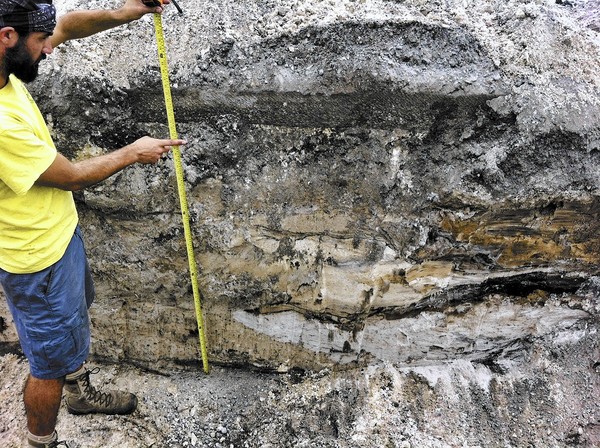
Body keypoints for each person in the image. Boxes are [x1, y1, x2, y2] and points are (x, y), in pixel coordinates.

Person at [0, 0, 185, 446]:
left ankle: (79, 393)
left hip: (58, 237)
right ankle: (40, 441)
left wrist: (127, 11)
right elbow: (73, 177)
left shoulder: (7, 67)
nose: (49, 49)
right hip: (35, 261)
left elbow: (65, 26)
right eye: (41, 42)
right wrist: (133, 152)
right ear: (7, 37)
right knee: (47, 367)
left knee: (73, 323)